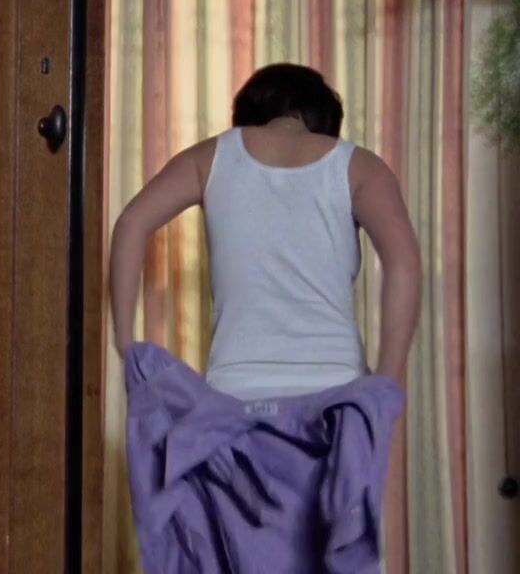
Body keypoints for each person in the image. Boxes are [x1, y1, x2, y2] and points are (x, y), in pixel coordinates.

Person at [110, 63, 422, 571]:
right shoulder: (358, 165)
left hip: (233, 403)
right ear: (320, 117)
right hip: (335, 405)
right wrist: (384, 384)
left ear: (252, 110)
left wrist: (126, 342)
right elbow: (404, 263)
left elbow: (130, 223)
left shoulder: (212, 157)